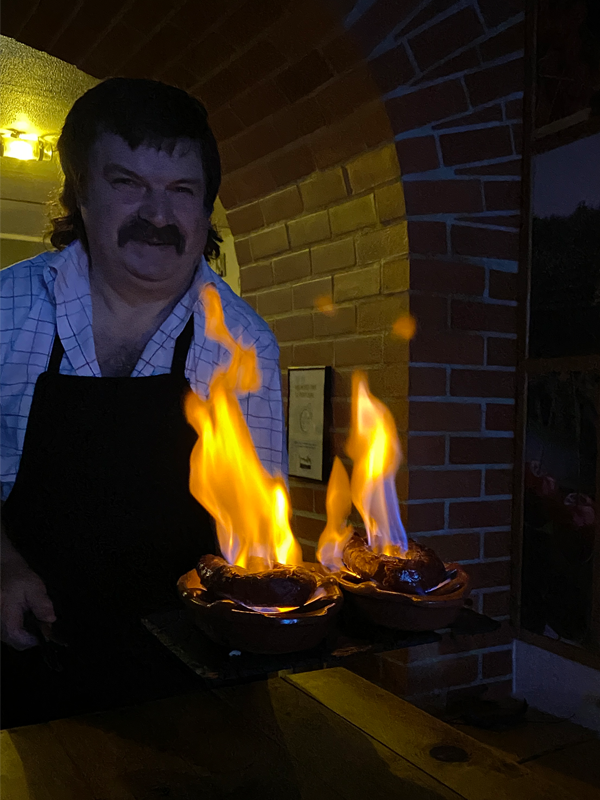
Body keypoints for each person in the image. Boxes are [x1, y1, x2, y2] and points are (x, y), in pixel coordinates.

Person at [0, 78, 286, 726]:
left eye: (181, 191)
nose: (158, 215)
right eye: (128, 182)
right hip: (24, 653)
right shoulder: (5, 311)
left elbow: (256, 523)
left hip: (195, 669)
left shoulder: (242, 342)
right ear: (80, 192)